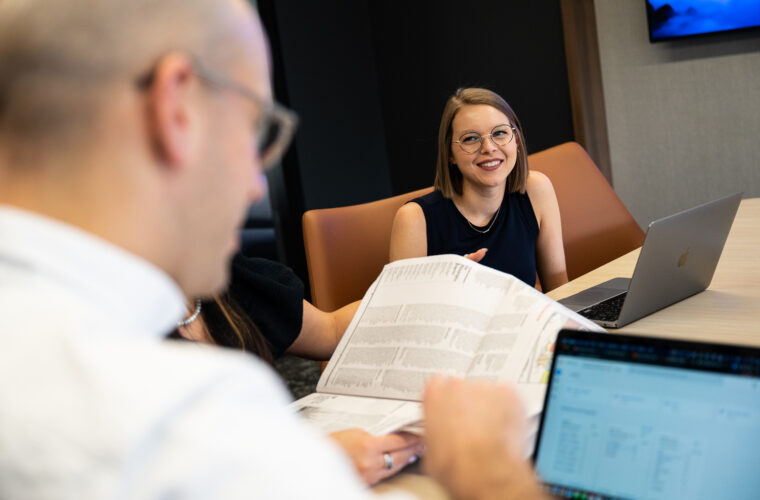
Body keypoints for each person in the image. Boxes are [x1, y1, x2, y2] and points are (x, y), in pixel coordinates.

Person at [0, 0, 547, 498]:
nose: (256, 186)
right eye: (254, 129)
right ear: (176, 109)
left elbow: (328, 328)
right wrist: (490, 472)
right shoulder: (184, 418)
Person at [172, 253, 423, 486]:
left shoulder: (227, 285)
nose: (256, 201)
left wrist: (435, 291)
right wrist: (312, 460)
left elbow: (331, 330)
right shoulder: (137, 333)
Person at [389, 88, 568, 292]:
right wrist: (446, 289)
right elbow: (404, 317)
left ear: (516, 140)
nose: (489, 148)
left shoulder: (536, 190)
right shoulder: (413, 219)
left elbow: (560, 291)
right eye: (470, 138)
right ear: (450, 154)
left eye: (500, 133)